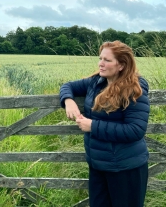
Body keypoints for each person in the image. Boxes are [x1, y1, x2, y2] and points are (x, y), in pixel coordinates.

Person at [59, 40, 150, 207]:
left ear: (121, 65)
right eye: (100, 58)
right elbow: (68, 86)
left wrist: (92, 126)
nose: (101, 64)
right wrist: (68, 100)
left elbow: (136, 130)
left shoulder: (134, 89)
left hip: (125, 168)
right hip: (98, 165)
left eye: (107, 60)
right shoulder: (96, 82)